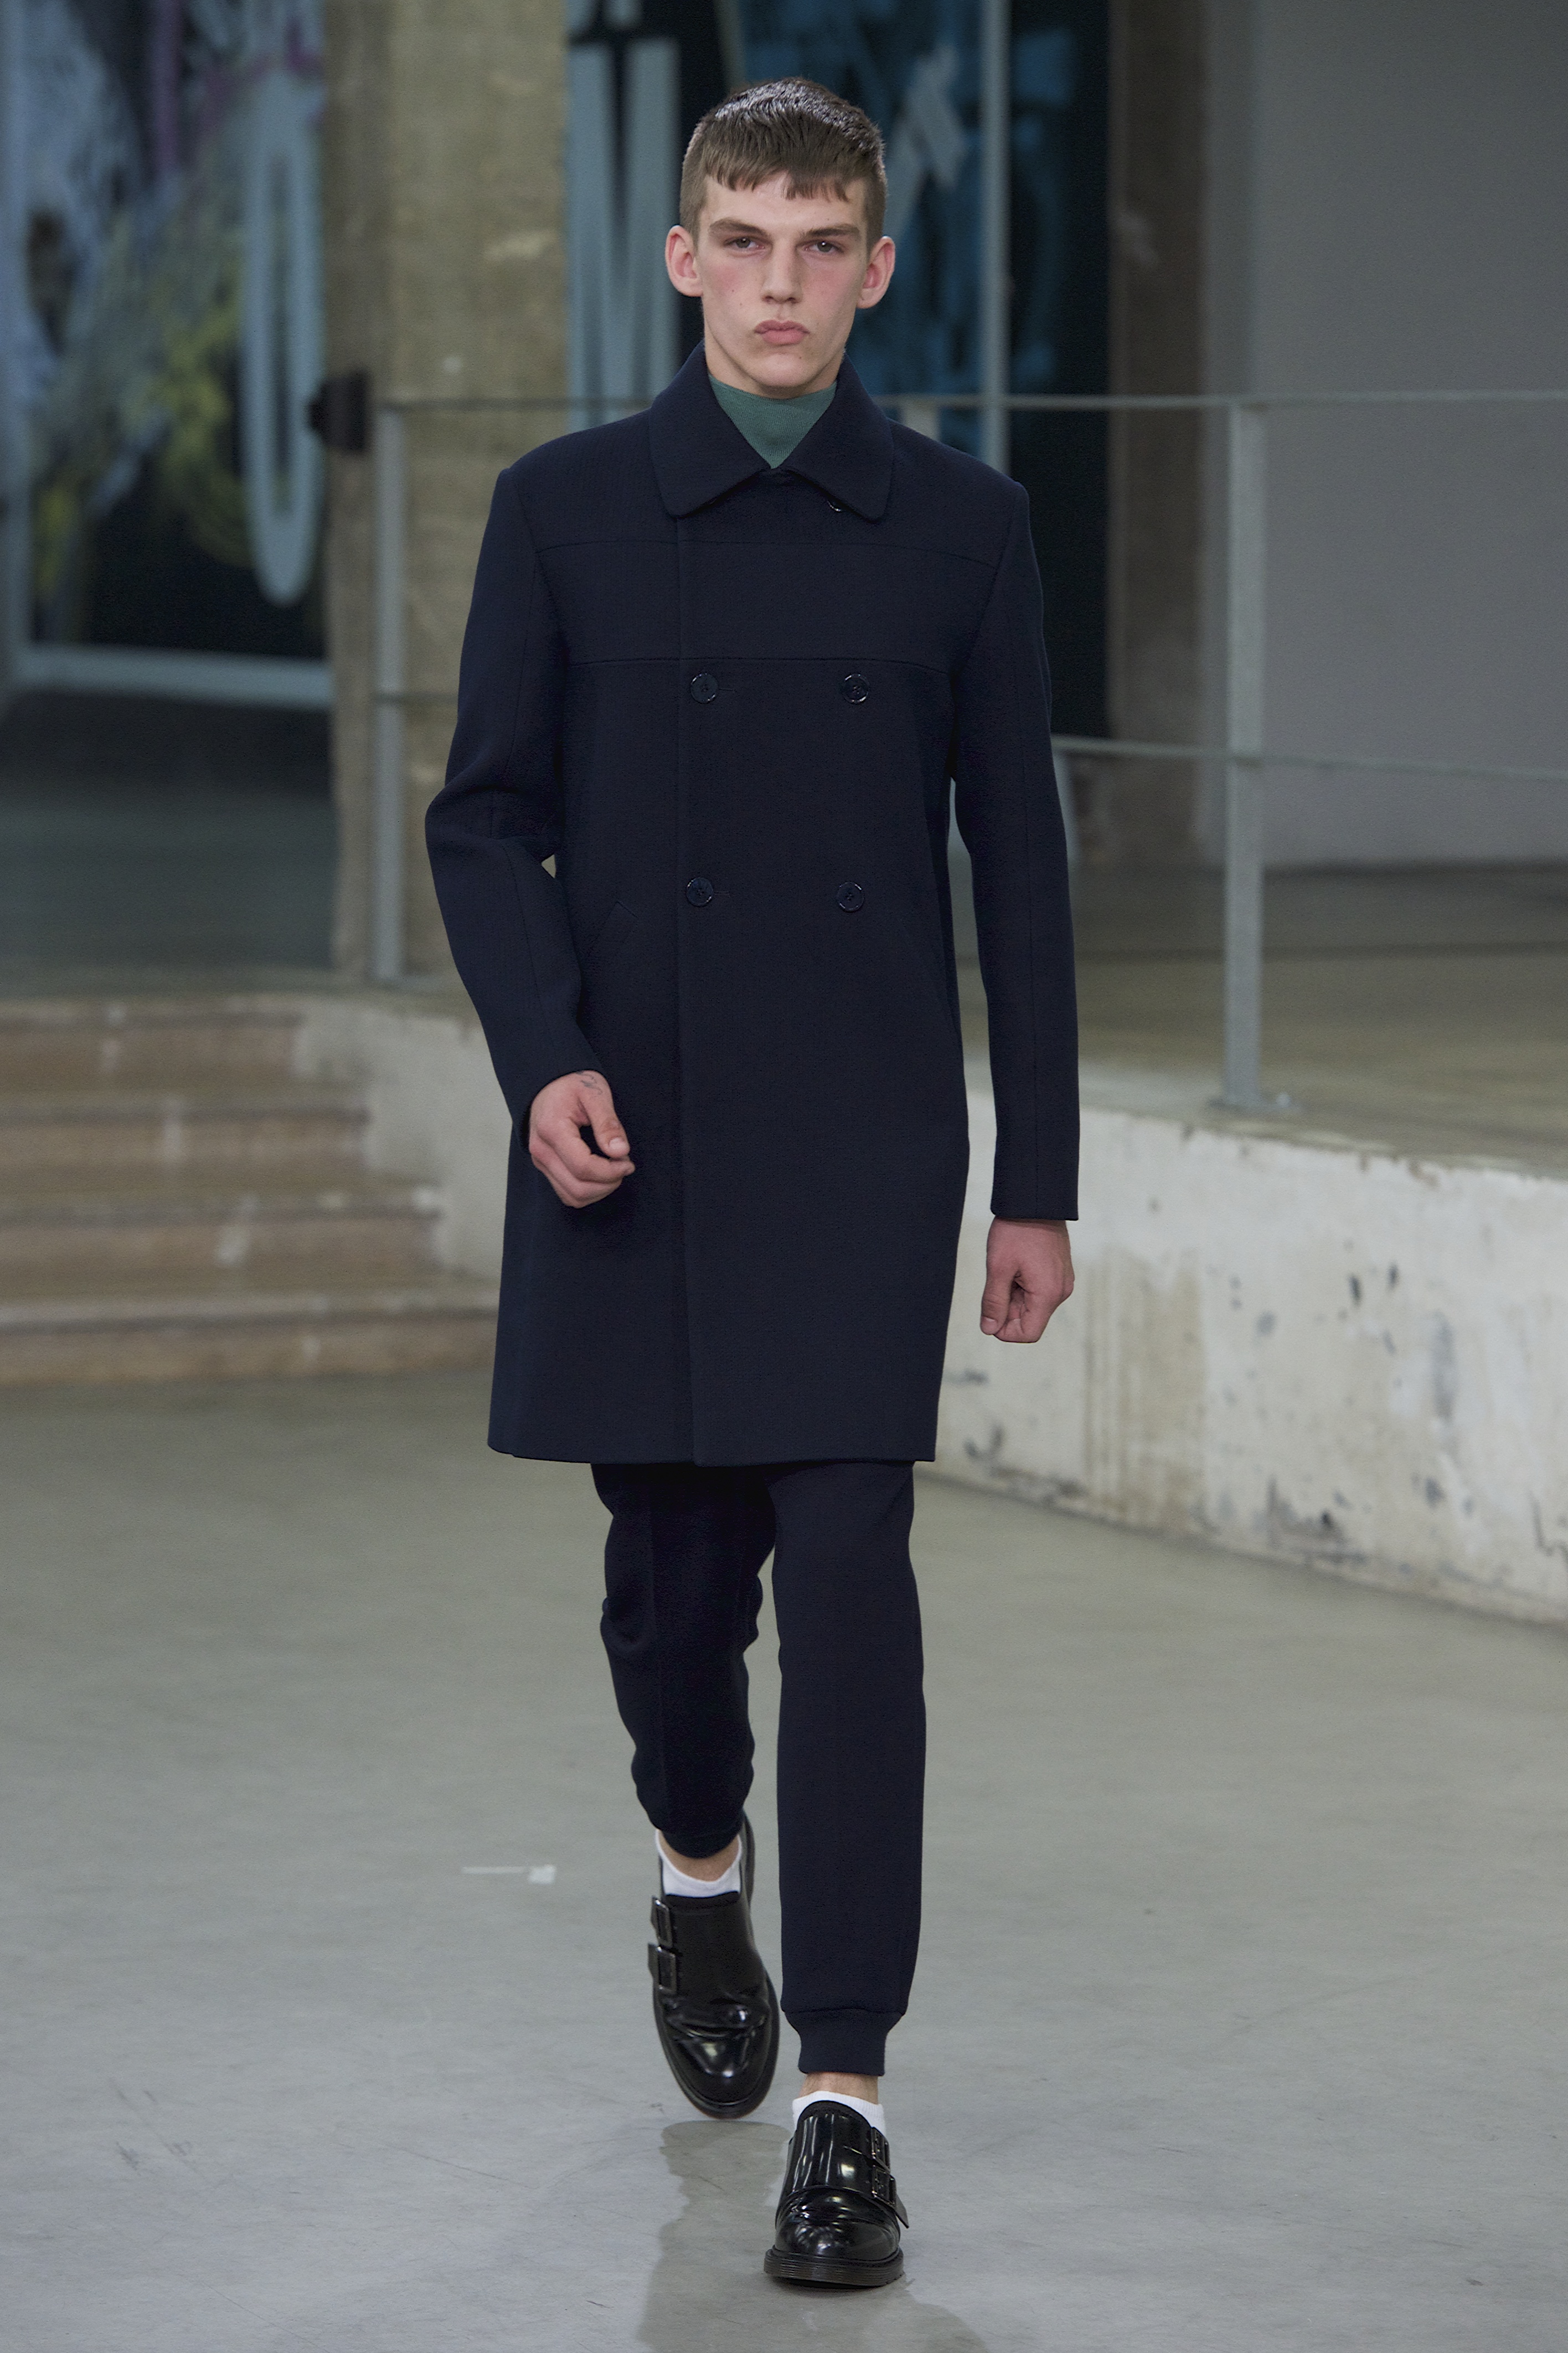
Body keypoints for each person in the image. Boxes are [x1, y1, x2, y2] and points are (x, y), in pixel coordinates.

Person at [426, 77, 1077, 2290]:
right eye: (744, 241)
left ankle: (849, 2101)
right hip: (640, 1131)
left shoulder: (966, 528)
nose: (781, 284)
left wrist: (1039, 1178)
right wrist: (543, 1052)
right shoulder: (562, 510)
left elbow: (1024, 869)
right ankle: (697, 1862)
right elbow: (482, 816)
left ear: (876, 270)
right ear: (685, 257)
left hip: (866, 1136)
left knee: (859, 1590)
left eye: (821, 247)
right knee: (675, 1599)